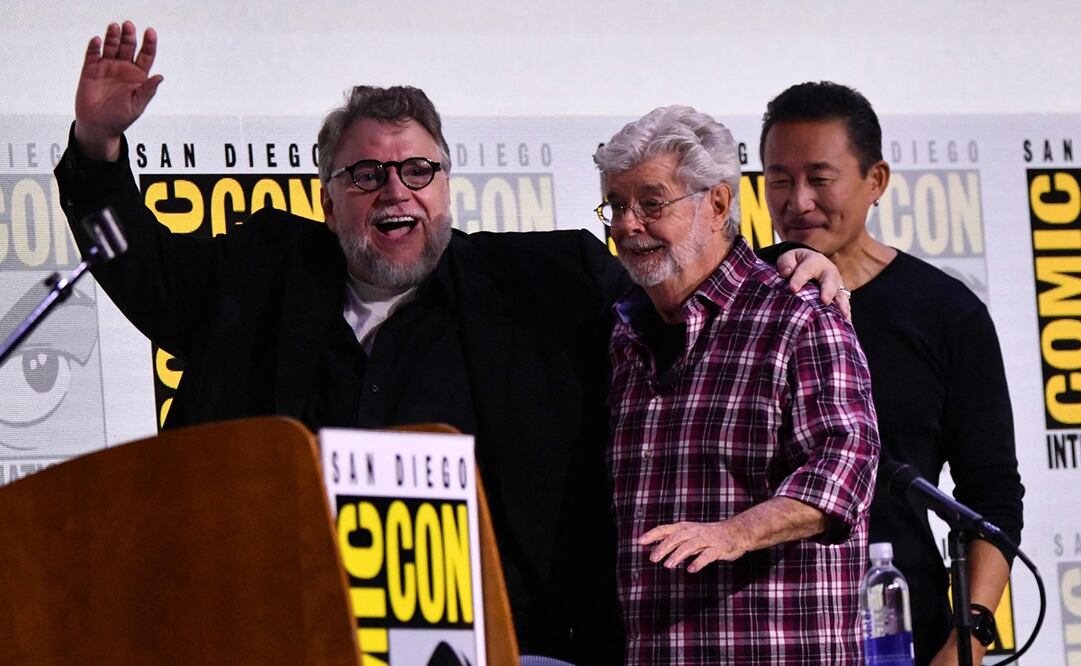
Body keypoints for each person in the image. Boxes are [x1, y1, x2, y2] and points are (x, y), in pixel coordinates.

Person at [56, 22, 846, 663]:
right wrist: (96, 147)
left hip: (499, 642)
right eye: (366, 175)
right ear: (327, 200)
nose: (394, 190)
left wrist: (787, 262)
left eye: (417, 170)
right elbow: (133, 263)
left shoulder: (543, 282)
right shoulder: (261, 275)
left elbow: (679, 272)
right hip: (287, 630)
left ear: (446, 185)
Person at [594, 105, 879, 665]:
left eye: (651, 203)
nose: (627, 225)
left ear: (719, 203)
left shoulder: (800, 315)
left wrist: (734, 534)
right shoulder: (622, 333)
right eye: (617, 205)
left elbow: (846, 469)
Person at [760, 81, 1024, 665]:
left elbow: (993, 498)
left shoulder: (947, 313)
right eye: (778, 180)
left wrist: (968, 638)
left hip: (896, 625)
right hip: (758, 625)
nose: (798, 201)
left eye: (820, 178)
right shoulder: (735, 297)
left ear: (875, 180)